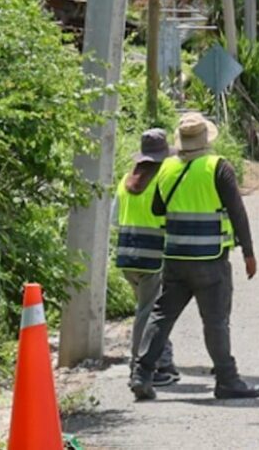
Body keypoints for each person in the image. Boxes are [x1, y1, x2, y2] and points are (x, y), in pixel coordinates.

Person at [130, 113, 259, 401]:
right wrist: (249, 253)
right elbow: (237, 211)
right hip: (210, 260)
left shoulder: (166, 168)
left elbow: (156, 209)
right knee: (215, 320)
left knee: (162, 315)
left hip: (176, 259)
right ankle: (227, 379)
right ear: (206, 140)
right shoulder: (218, 167)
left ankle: (141, 374)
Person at [114, 129, 179, 387]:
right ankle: (143, 366)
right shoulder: (162, 183)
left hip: (127, 256)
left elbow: (114, 219)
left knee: (151, 310)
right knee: (149, 313)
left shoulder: (125, 182)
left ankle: (163, 361)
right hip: (154, 256)